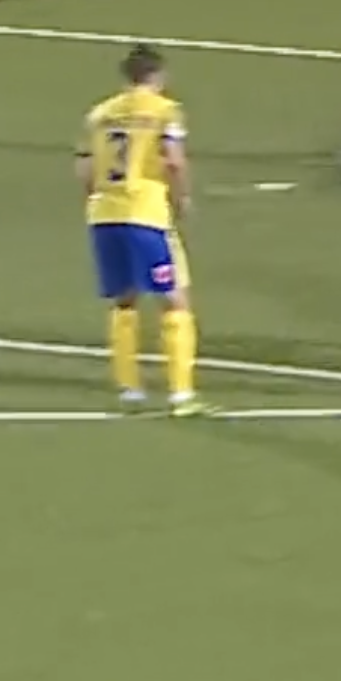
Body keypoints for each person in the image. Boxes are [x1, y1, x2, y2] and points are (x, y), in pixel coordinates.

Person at [78, 45, 208, 417]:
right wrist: (182, 198)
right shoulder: (166, 111)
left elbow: (84, 168)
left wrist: (95, 202)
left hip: (104, 214)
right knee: (174, 300)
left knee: (123, 300)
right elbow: (174, 160)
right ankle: (182, 395)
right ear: (158, 76)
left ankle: (129, 392)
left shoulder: (99, 114)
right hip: (145, 212)